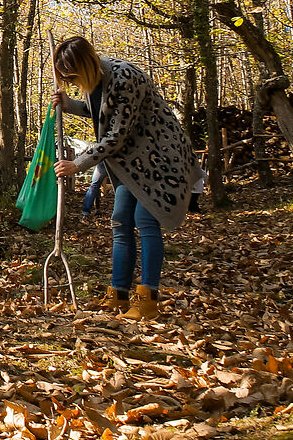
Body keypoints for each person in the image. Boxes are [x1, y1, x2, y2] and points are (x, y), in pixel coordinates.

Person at [53, 34, 198, 321]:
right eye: (65, 78)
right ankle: (119, 293)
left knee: (146, 221)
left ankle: (148, 298)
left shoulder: (123, 77)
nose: (70, 82)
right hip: (129, 164)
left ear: (84, 65)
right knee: (120, 220)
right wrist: (69, 104)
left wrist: (78, 164)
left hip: (159, 157)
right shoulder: (96, 80)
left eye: (71, 76)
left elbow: (116, 135)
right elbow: (101, 113)